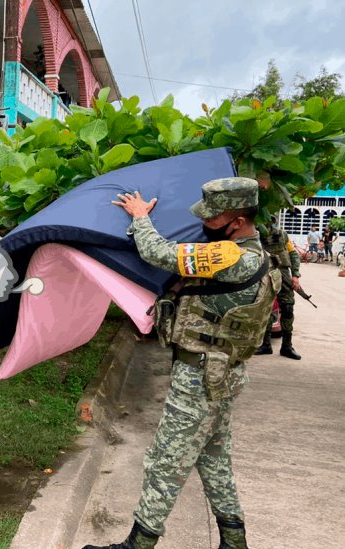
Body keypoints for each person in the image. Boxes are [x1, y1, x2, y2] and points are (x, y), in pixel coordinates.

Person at [81, 178, 280, 549]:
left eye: (213, 217)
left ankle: (139, 544)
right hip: (225, 374)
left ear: (235, 221)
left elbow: (160, 254)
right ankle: (235, 543)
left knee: (165, 461)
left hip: (201, 376)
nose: (206, 223)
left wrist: (140, 217)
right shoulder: (259, 252)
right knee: (214, 460)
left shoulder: (231, 257)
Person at [255, 216, 302, 360]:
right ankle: (266, 345)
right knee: (266, 309)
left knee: (287, 308)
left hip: (282, 273)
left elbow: (293, 254)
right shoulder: (254, 236)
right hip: (264, 274)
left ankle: (287, 346)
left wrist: (295, 275)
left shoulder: (282, 234)